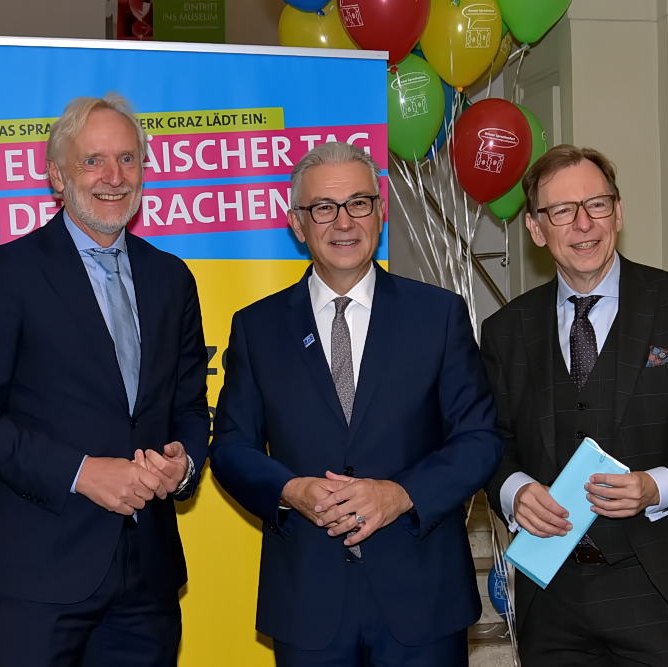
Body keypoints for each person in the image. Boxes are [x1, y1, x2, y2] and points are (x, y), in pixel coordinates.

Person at [0, 93, 209, 666]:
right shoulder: (8, 272)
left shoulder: (172, 279)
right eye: (93, 161)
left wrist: (182, 465)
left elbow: (188, 405)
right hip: (36, 573)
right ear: (57, 176)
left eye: (127, 159)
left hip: (149, 580)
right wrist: (81, 472)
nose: (114, 176)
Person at [210, 141, 502, 666]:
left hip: (423, 598)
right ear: (298, 224)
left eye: (358, 203)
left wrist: (402, 494)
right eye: (323, 207)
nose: (343, 222)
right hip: (308, 600)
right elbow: (231, 448)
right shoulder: (257, 328)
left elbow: (478, 439)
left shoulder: (438, 315)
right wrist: (290, 490)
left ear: (380, 211)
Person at [481, 144, 668, 665]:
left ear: (619, 212)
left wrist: (657, 487)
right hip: (552, 604)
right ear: (537, 229)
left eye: (597, 204)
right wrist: (515, 491)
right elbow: (491, 445)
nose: (584, 224)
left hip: (664, 598)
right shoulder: (505, 330)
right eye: (562, 211)